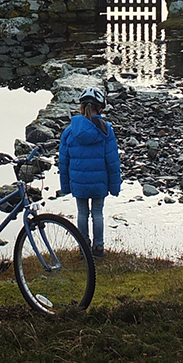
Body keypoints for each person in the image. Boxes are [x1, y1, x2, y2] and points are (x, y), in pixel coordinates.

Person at [58, 87, 121, 258]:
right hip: (100, 181)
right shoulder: (106, 130)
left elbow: (63, 162)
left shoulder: (69, 131)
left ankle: (83, 248)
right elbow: (113, 161)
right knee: (98, 213)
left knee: (82, 213)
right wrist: (115, 186)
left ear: (81, 107)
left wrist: (65, 186)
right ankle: (99, 248)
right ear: (100, 109)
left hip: (78, 181)